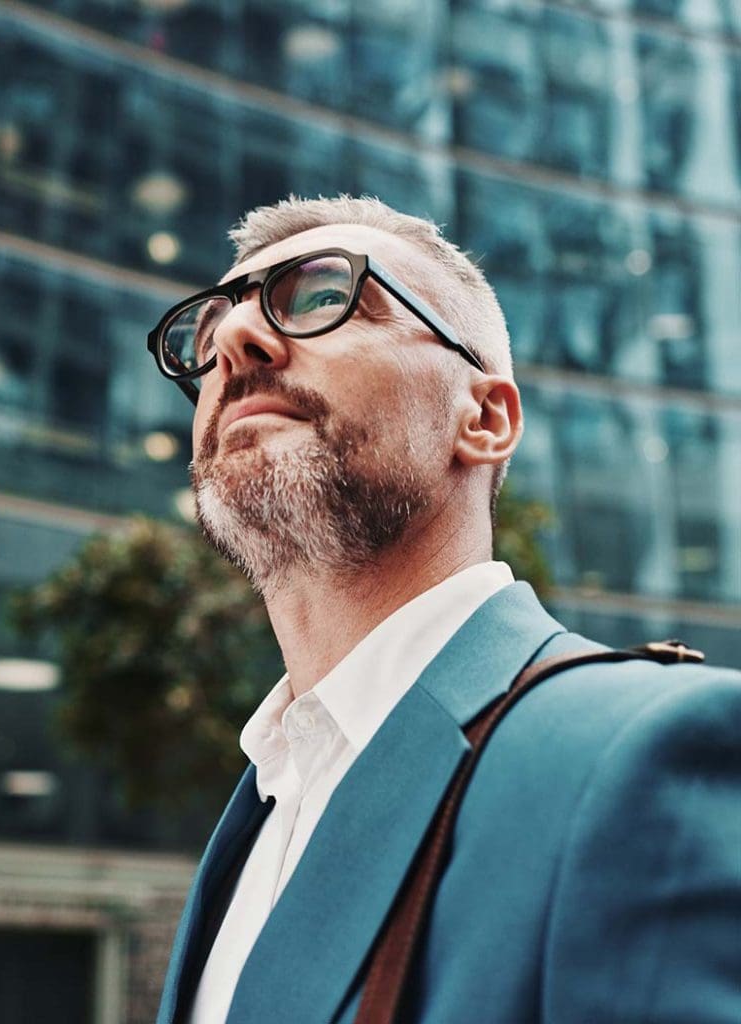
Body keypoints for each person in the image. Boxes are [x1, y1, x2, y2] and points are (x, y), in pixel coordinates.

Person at [146, 195, 741, 1024]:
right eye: (210, 335)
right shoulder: (263, 803)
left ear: (487, 419)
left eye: (324, 296)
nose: (236, 342)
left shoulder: (647, 751)